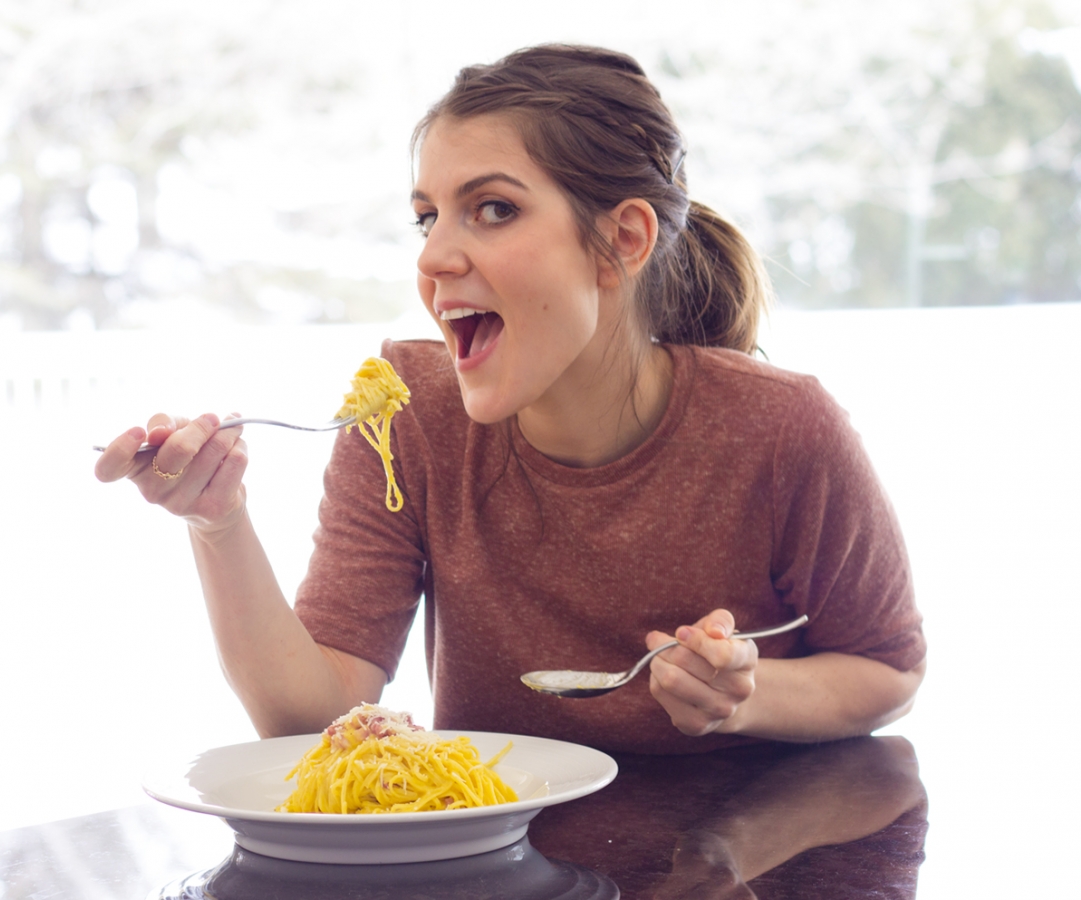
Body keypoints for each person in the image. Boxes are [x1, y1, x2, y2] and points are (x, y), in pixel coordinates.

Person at [96, 44, 925, 755]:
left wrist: (745, 699)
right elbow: (314, 717)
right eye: (427, 219)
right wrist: (217, 521)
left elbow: (886, 669)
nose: (435, 259)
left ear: (622, 242)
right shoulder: (404, 418)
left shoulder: (778, 429)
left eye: (492, 210)